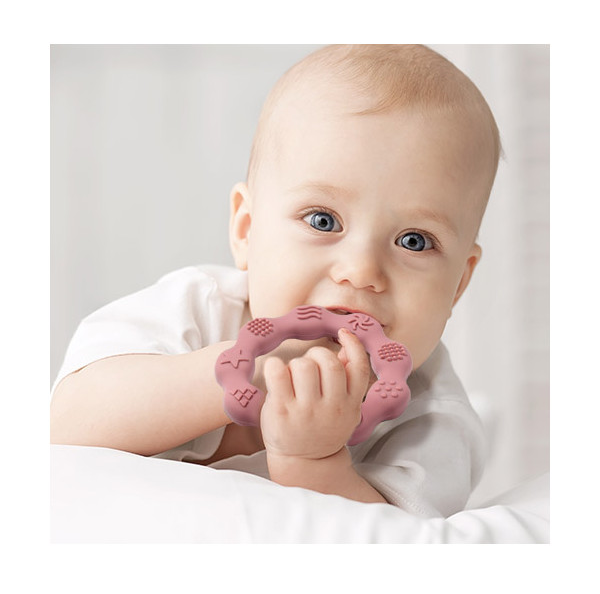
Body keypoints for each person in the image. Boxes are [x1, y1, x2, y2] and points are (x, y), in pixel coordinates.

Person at [50, 44, 500, 516]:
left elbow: (391, 538)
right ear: (246, 230)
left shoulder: (433, 420)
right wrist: (246, 370)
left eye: (414, 241)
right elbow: (66, 425)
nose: (361, 270)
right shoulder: (195, 309)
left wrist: (313, 461)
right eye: (323, 221)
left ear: (458, 285)